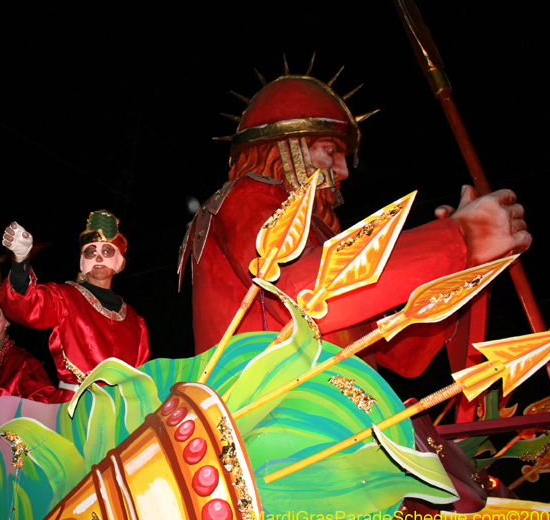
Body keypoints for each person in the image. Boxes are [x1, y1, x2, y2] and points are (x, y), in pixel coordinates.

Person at [178, 71, 530, 377]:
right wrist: (458, 237)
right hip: (275, 416)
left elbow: (404, 354)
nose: (344, 172)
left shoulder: (321, 234)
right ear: (286, 147)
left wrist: (464, 268)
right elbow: (303, 295)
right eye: (331, 151)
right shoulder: (245, 196)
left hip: (345, 415)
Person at [0, 210, 150, 402]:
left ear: (119, 263)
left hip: (121, 414)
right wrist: (21, 260)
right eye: (90, 251)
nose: (98, 257)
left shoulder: (136, 321)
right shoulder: (64, 297)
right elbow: (27, 305)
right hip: (73, 409)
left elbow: (139, 377)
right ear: (82, 262)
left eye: (106, 251)